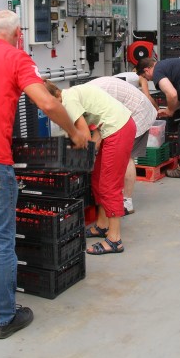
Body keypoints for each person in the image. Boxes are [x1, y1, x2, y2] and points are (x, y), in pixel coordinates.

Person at [0, 10, 88, 340]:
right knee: (1, 240)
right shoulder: (17, 58)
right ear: (18, 35)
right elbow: (47, 106)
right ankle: (5, 317)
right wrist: (74, 133)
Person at [44, 81, 135, 255]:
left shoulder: (68, 101)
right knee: (98, 178)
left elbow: (84, 136)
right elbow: (93, 131)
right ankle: (102, 225)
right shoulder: (70, 96)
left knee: (109, 185)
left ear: (54, 96)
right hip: (112, 127)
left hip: (118, 129)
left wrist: (69, 155)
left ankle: (115, 240)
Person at [89, 75, 157, 215]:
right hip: (133, 110)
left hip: (137, 113)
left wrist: (91, 152)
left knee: (126, 156)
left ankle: (126, 202)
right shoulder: (85, 91)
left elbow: (98, 133)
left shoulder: (89, 99)